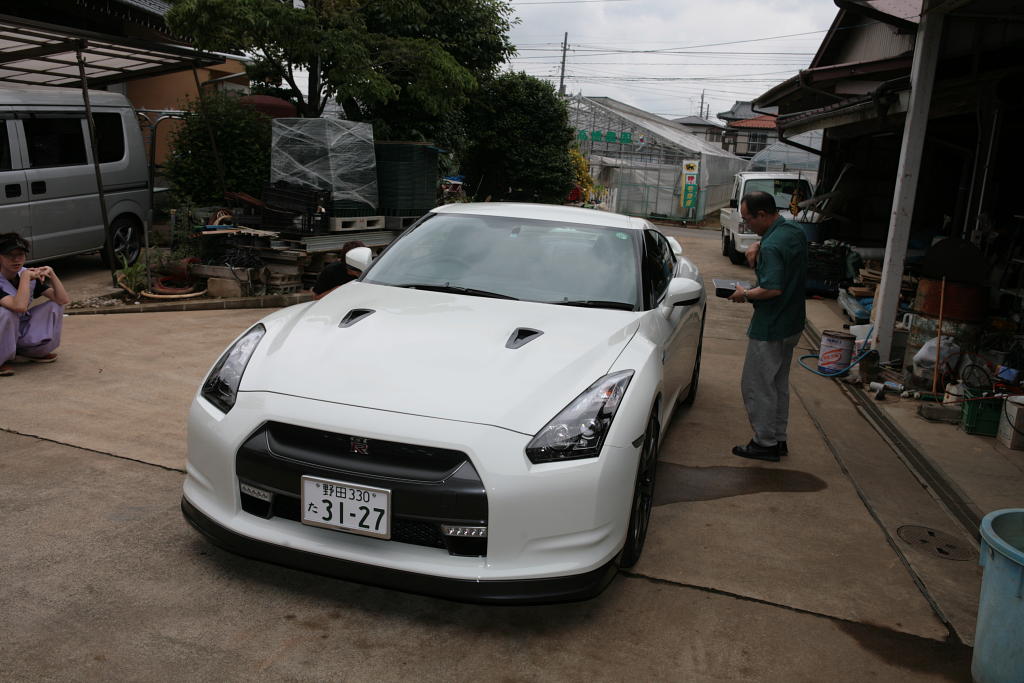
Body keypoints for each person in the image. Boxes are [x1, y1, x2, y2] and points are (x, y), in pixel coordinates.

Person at [726, 191, 807, 462]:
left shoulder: (771, 247)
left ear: (762, 214)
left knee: (757, 385)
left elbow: (772, 288)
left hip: (771, 325)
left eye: (748, 219)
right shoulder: (793, 231)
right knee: (777, 383)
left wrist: (745, 294)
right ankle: (777, 438)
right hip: (792, 322)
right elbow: (779, 245)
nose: (747, 225)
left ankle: (764, 443)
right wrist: (757, 244)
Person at [0, 233, 71, 376]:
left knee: (55, 305)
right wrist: (26, 277)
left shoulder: (25, 273)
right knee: (6, 313)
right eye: (10, 255)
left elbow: (62, 299)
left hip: (16, 329)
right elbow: (19, 306)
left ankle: (32, 351)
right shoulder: (25, 275)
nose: (16, 259)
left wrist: (51, 273)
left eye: (20, 254)